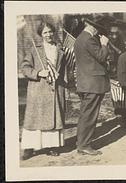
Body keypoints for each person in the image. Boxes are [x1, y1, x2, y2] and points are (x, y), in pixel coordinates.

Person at [20, 21, 67, 160]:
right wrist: (39, 73)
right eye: (45, 32)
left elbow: (63, 70)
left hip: (55, 89)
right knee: (34, 119)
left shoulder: (60, 49)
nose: (48, 35)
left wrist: (64, 85)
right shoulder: (35, 49)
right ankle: (29, 148)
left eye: (50, 31)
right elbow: (25, 68)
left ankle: (51, 146)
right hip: (38, 90)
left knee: (53, 118)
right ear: (41, 34)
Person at [74, 17, 111, 155]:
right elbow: (101, 56)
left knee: (85, 114)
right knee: (90, 115)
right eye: (97, 29)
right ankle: (84, 145)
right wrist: (104, 44)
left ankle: (81, 142)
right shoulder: (88, 39)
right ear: (91, 27)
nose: (98, 32)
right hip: (92, 84)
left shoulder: (80, 38)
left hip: (87, 83)